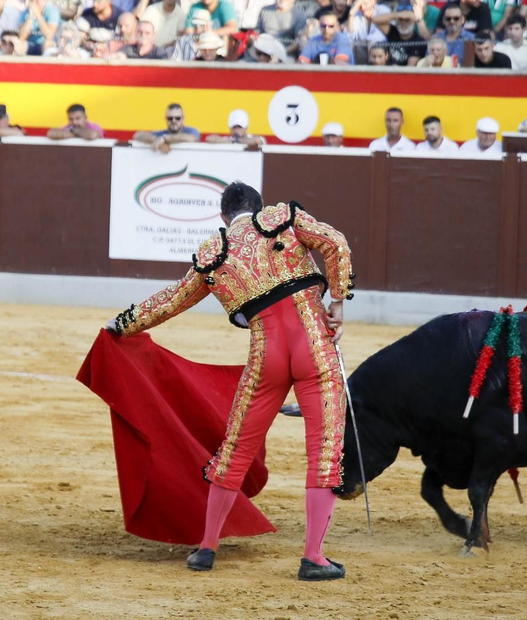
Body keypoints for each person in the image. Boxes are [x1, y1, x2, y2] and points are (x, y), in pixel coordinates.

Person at [109, 181, 354, 583]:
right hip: (314, 344)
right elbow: (335, 243)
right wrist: (338, 304)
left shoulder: (214, 253)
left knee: (236, 448)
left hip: (265, 355)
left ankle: (206, 548)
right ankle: (314, 557)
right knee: (324, 449)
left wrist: (122, 323)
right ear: (258, 206)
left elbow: (172, 300)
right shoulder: (283, 220)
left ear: (224, 217)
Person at [132, 103, 200, 153]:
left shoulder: (191, 131)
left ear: (183, 118)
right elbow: (137, 135)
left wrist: (164, 138)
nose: (173, 121)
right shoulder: (161, 133)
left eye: (177, 118)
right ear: (165, 119)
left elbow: (193, 138)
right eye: (170, 118)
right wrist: (157, 141)